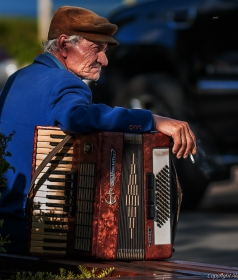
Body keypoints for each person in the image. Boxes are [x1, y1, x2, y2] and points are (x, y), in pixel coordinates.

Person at [0, 6, 196, 254]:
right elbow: (78, 117)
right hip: (31, 235)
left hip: (5, 227)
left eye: (105, 51)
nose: (104, 60)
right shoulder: (66, 83)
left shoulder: (19, 78)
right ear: (63, 46)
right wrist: (152, 120)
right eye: (96, 49)